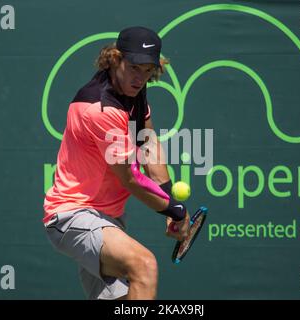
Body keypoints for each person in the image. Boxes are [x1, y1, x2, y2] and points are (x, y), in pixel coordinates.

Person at [43, 26, 190, 300]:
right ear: (115, 58)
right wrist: (176, 209)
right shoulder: (102, 108)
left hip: (109, 220)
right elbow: (130, 178)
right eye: (135, 67)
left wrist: (169, 202)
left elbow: (147, 143)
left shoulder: (133, 90)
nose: (140, 78)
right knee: (143, 266)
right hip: (74, 215)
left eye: (148, 71)